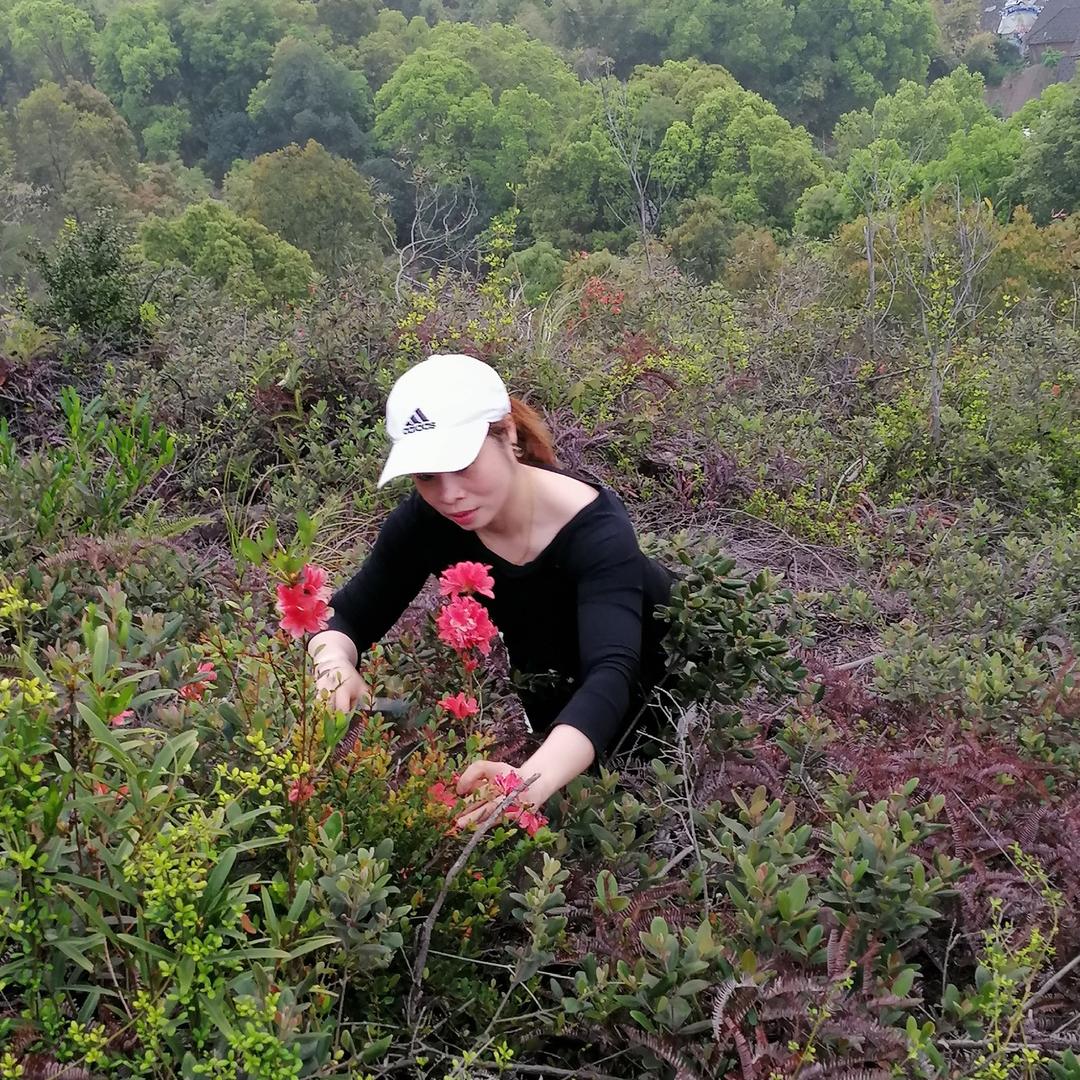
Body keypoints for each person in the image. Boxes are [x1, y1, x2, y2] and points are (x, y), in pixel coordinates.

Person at [307, 353, 674, 827]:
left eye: (461, 462)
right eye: (426, 475)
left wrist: (527, 784)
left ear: (508, 432)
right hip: (554, 706)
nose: (449, 493)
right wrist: (334, 664)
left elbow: (611, 671)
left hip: (663, 697)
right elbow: (348, 617)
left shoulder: (595, 530)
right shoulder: (427, 522)